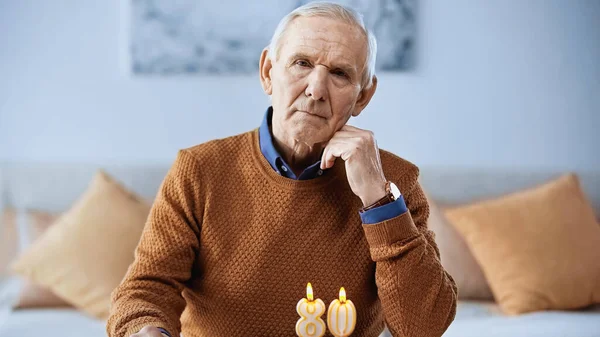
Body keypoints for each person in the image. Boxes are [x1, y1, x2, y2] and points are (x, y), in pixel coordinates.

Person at [107, 2, 457, 337]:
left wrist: (379, 201)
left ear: (362, 97)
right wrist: (147, 330)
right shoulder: (198, 169)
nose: (316, 89)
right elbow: (149, 287)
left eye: (339, 73)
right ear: (268, 72)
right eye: (302, 63)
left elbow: (423, 328)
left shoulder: (396, 181)